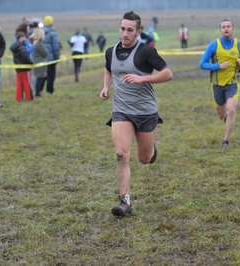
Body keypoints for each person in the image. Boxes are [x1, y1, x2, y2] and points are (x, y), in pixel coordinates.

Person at [99, 11, 173, 216]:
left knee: (144, 158)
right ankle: (125, 202)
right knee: (121, 154)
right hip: (121, 110)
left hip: (146, 112)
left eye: (130, 30)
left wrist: (142, 79)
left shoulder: (146, 52)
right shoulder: (110, 51)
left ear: (138, 32)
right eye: (122, 29)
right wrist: (106, 87)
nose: (125, 34)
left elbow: (168, 74)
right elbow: (109, 69)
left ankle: (151, 151)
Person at [199, 19, 240, 150]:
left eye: (228, 26)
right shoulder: (214, 45)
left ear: (233, 28)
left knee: (231, 110)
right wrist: (218, 66)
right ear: (220, 30)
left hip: (233, 83)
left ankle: (225, 141)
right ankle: (226, 118)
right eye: (223, 27)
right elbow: (202, 64)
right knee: (221, 115)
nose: (226, 29)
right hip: (217, 84)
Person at [10, 31, 33, 102]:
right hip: (24, 67)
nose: (24, 39)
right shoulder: (22, 47)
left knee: (19, 83)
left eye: (25, 37)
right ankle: (29, 98)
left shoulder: (15, 46)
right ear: (18, 39)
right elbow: (25, 56)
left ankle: (19, 98)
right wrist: (31, 63)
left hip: (18, 67)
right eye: (22, 37)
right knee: (26, 83)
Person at [42, 15, 60, 95]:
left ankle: (39, 90)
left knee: (43, 74)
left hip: (42, 57)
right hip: (51, 58)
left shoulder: (41, 31)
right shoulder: (53, 33)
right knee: (51, 75)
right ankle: (49, 90)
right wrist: (57, 58)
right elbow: (56, 46)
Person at [29, 28, 48, 98]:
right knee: (40, 78)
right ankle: (38, 93)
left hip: (35, 61)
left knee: (38, 77)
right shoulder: (39, 43)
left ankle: (38, 92)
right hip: (39, 62)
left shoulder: (33, 42)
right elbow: (45, 53)